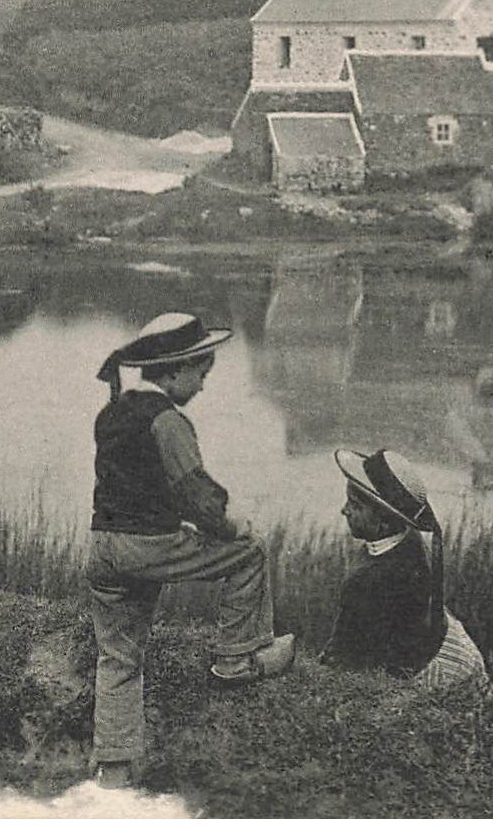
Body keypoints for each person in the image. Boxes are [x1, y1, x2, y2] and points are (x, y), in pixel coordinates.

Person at [87, 312, 295, 788]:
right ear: (175, 370)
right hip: (149, 547)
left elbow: (133, 487)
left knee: (118, 656)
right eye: (201, 372)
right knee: (251, 550)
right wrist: (229, 523)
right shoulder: (169, 422)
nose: (202, 384)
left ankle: (113, 774)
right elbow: (199, 497)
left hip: (102, 546)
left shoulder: (112, 412)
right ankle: (235, 659)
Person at [322, 450, 487, 689]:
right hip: (445, 641)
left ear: (384, 520)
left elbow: (363, 656)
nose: (344, 510)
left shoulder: (381, 577)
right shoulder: (404, 540)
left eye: (354, 505)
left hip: (439, 668)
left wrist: (329, 670)